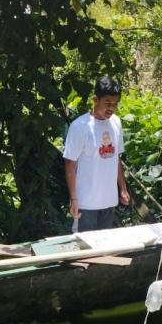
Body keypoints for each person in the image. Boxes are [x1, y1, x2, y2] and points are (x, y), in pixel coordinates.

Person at [63, 76, 131, 232]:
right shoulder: (80, 127)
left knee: (104, 247)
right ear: (95, 99)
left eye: (115, 104)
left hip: (109, 201)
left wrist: (123, 188)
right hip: (86, 204)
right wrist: (74, 199)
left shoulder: (116, 123)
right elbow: (69, 164)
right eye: (107, 103)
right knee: (86, 250)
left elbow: (116, 158)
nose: (111, 108)